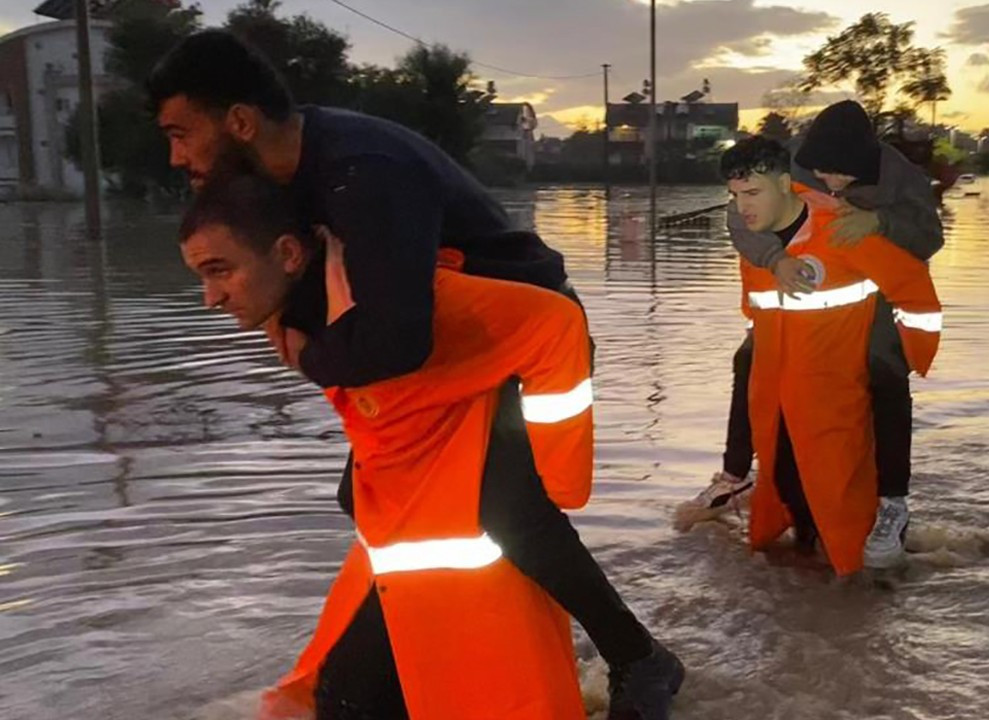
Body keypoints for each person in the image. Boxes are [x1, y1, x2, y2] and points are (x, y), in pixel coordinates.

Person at [150, 30, 681, 719]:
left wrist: (306, 352)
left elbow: (396, 340)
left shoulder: (362, 172)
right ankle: (405, 657)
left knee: (506, 505)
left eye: (180, 134)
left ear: (240, 122)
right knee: (361, 493)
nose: (176, 157)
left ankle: (639, 658)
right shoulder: (286, 174)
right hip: (443, 351)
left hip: (515, 340)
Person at [681, 101, 943, 569]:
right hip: (796, 288)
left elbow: (929, 236)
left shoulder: (901, 177)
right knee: (750, 363)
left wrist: (879, 222)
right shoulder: (792, 165)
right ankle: (737, 474)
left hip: (876, 286)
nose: (831, 184)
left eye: (844, 177)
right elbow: (741, 214)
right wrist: (773, 259)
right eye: (823, 173)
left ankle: (892, 501)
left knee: (886, 374)